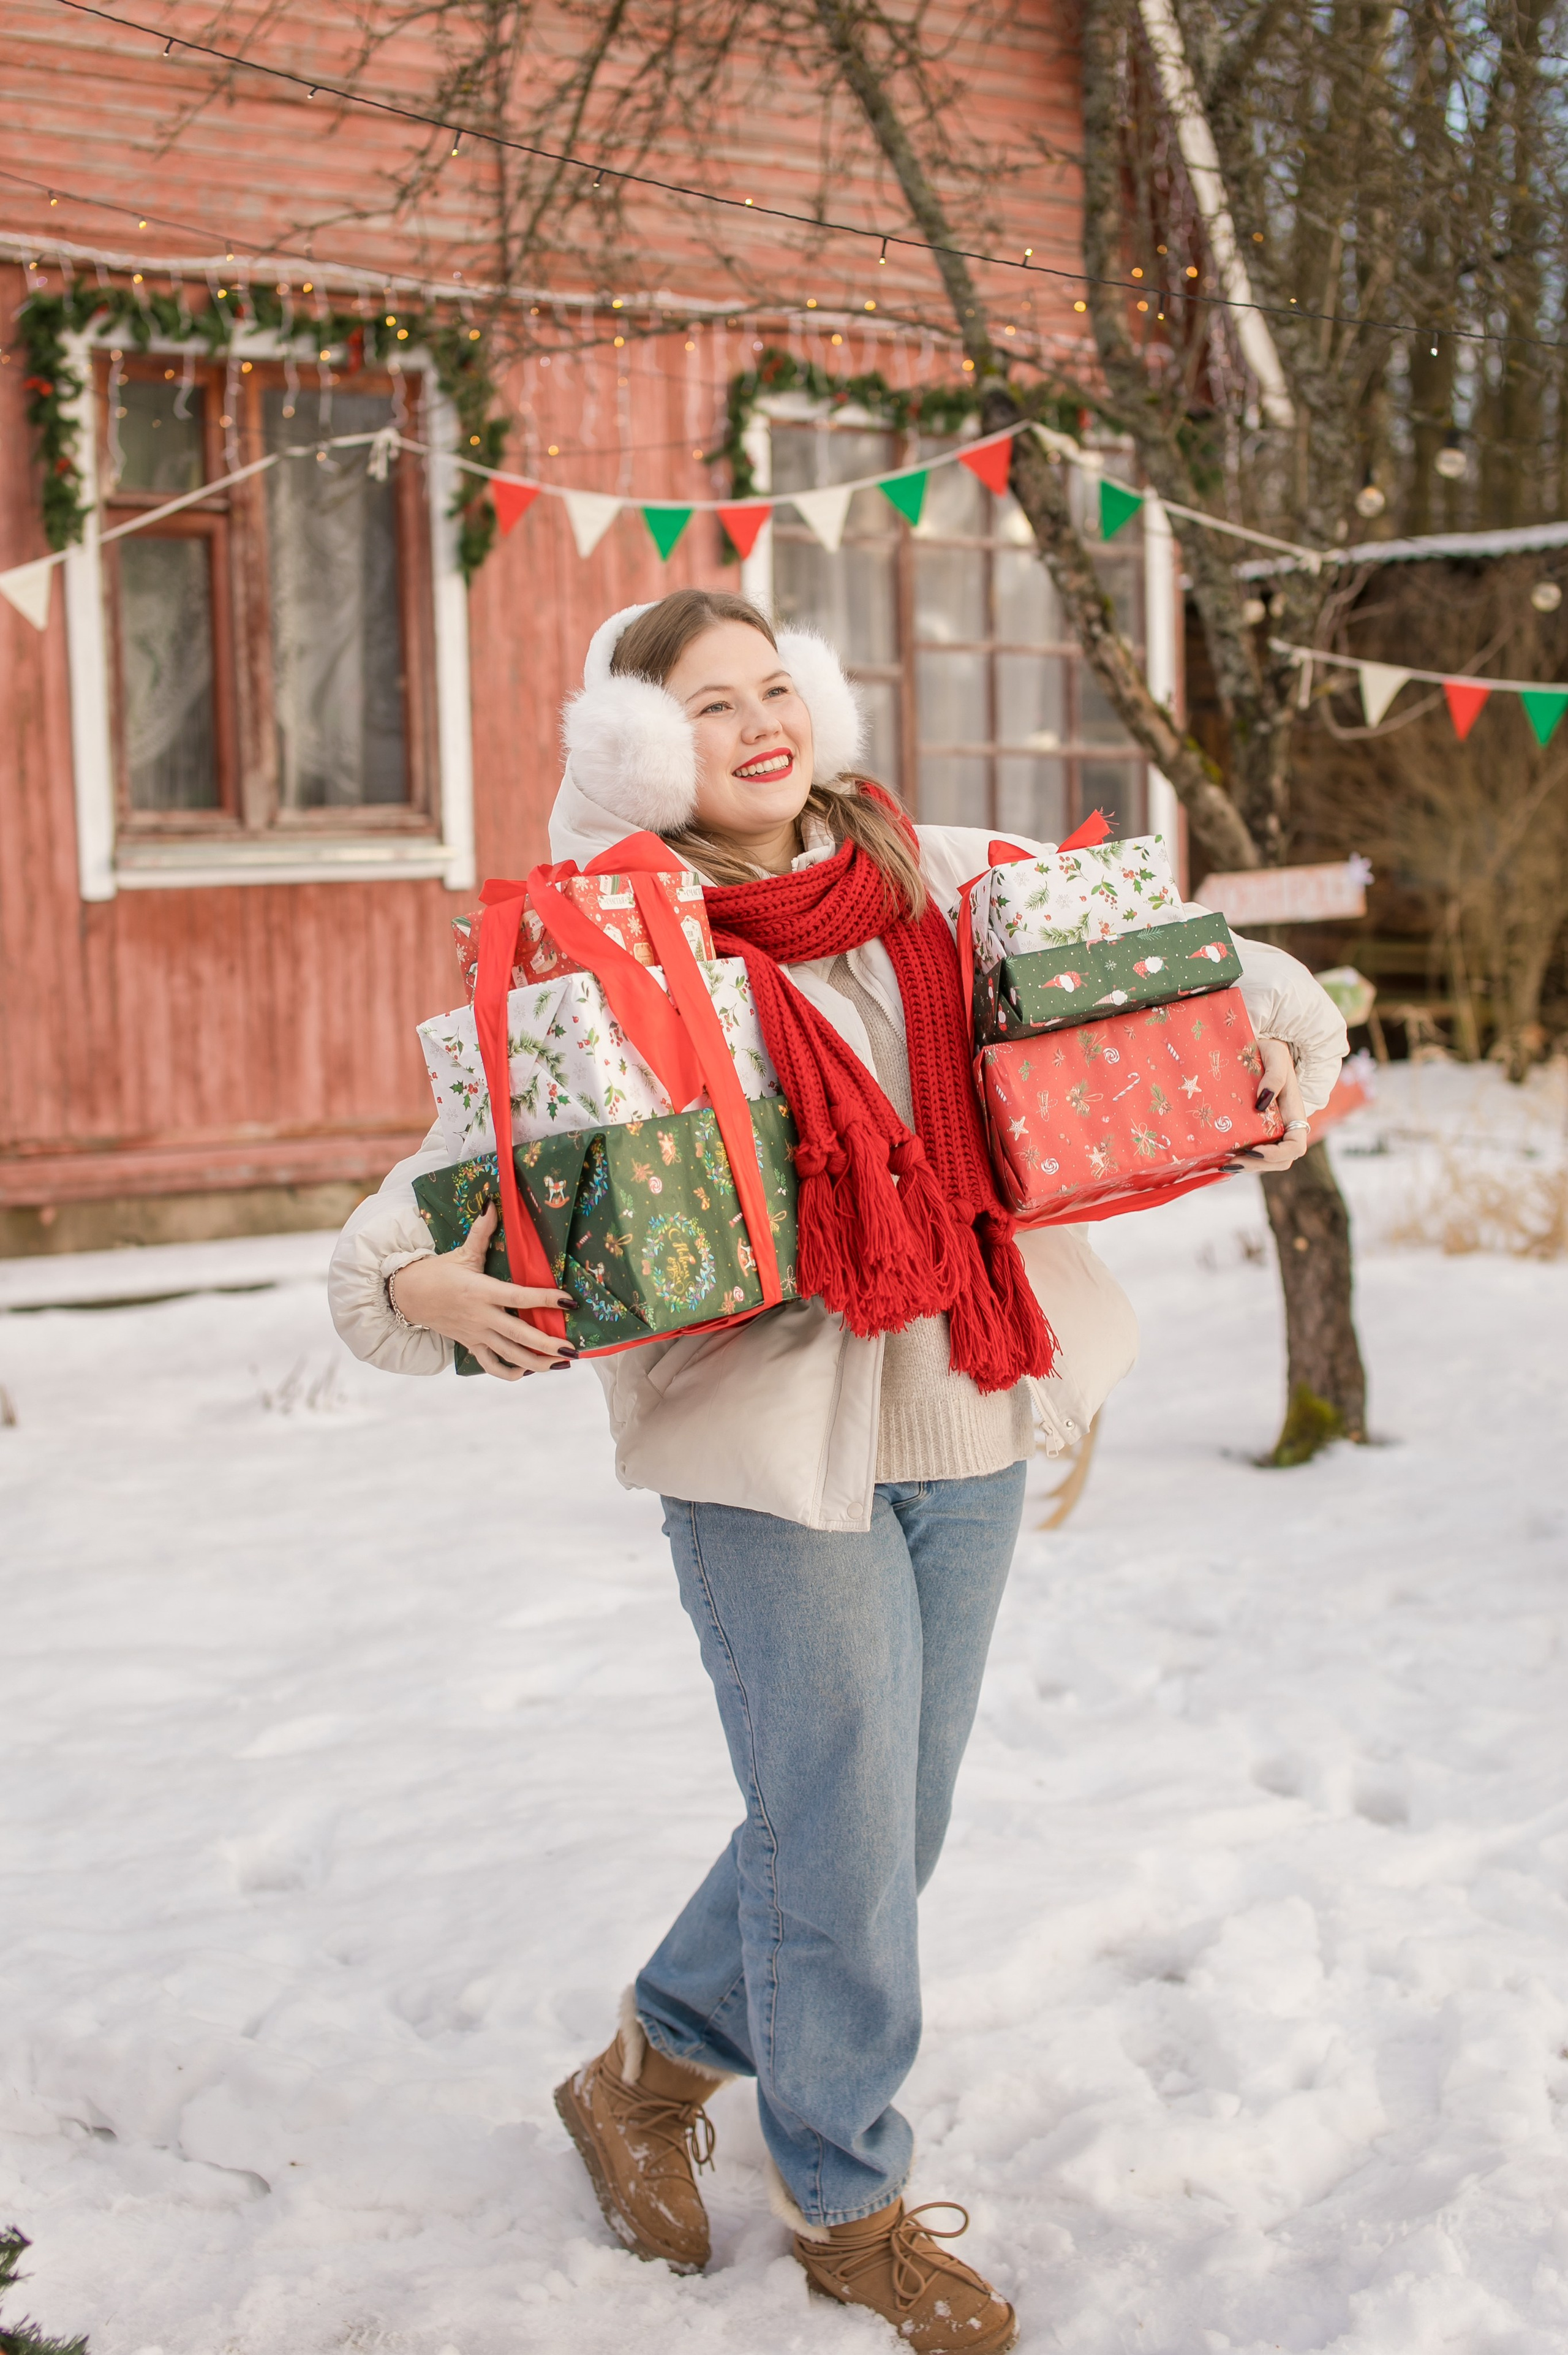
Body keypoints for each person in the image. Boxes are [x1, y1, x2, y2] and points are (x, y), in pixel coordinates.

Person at [330, 589, 1345, 2351]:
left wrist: (1272, 1027)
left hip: (966, 1384)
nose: (757, 725)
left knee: (888, 1816)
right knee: (845, 1815)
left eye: (773, 686)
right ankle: (845, 2195)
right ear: (641, 751)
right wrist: (407, 1280)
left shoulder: (932, 869)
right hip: (764, 1443)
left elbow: (1174, 947)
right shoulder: (611, 941)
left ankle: (644, 2067)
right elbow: (445, 1164)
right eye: (706, 706)